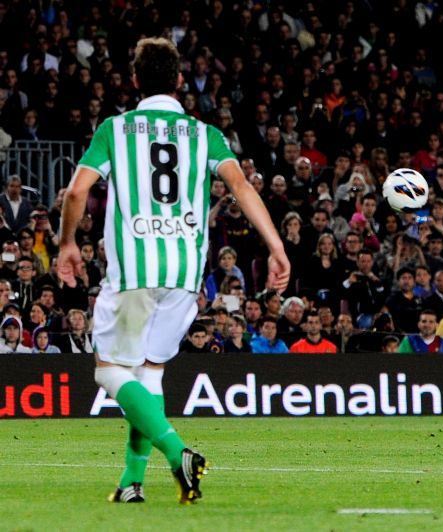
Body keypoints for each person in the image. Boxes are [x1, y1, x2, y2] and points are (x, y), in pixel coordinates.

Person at [57, 38, 290, 505]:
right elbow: (241, 185)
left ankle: (178, 450)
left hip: (135, 270)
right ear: (180, 81)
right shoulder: (205, 135)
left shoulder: (116, 129)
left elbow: (76, 192)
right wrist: (276, 244)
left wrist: (66, 243)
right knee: (148, 375)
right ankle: (130, 483)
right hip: (185, 272)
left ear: (135, 81)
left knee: (109, 371)